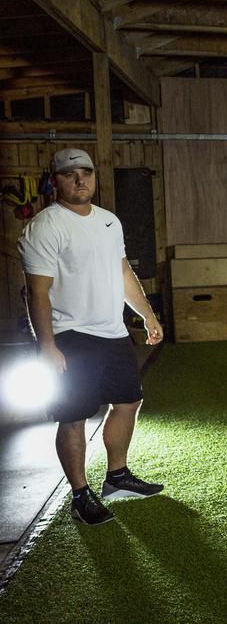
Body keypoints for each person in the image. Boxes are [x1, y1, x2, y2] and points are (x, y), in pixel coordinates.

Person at [18, 148, 165, 526]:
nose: (80, 179)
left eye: (86, 171)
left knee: (129, 401)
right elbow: (36, 291)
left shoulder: (109, 222)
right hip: (71, 334)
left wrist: (147, 314)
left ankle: (117, 477)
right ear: (55, 181)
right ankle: (80, 494)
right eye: (70, 174)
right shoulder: (45, 226)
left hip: (112, 331)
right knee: (74, 417)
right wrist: (46, 345)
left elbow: (122, 274)